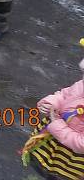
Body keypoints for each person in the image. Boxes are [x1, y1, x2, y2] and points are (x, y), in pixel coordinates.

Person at [24, 48, 84, 179]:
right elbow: (65, 94)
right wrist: (51, 102)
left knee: (62, 174)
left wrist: (56, 124)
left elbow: (81, 144)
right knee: (42, 162)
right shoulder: (82, 85)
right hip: (53, 138)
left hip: (71, 156)